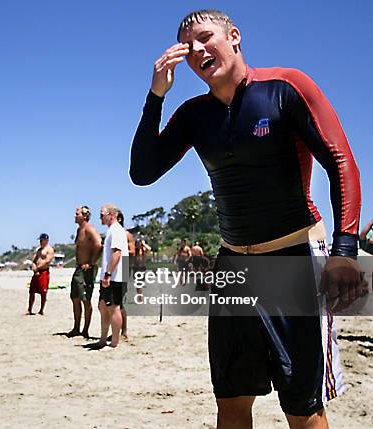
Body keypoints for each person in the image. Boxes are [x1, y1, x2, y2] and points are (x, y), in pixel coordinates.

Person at [130, 9, 364, 427]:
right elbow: (142, 172)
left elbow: (341, 162)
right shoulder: (193, 115)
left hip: (294, 257)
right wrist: (156, 97)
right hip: (233, 263)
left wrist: (344, 251)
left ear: (233, 36)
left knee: (302, 405)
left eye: (206, 37)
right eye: (189, 48)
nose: (198, 50)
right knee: (232, 399)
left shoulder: (285, 86)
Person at [90, 204, 128, 349]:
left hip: (115, 277)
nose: (100, 217)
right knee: (103, 307)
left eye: (102, 214)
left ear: (111, 215)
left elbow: (117, 253)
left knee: (114, 308)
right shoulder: (112, 231)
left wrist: (108, 274)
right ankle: (103, 339)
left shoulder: (117, 230)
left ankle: (114, 342)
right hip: (111, 276)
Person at [68, 205, 102, 338]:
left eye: (77, 214)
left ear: (85, 216)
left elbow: (98, 244)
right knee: (75, 298)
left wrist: (91, 263)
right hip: (79, 268)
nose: (75, 216)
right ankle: (76, 327)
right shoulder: (79, 230)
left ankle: (85, 330)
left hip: (87, 269)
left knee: (85, 299)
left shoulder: (89, 229)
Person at [117, 211, 134, 340]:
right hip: (114, 268)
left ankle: (124, 330)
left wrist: (119, 250)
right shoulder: (113, 233)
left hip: (123, 267)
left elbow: (132, 251)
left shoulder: (126, 234)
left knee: (120, 301)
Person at [28, 233, 54, 315]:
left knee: (43, 292)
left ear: (46, 240)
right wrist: (34, 267)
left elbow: (47, 260)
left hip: (44, 272)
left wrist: (38, 268)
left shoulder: (49, 250)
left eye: (41, 240)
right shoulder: (38, 250)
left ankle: (41, 309)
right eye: (40, 240)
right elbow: (33, 259)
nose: (40, 241)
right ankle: (30, 309)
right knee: (32, 291)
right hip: (36, 272)